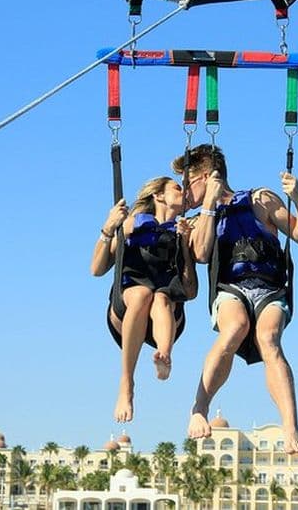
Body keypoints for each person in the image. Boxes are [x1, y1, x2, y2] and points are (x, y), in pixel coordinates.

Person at [172, 144, 298, 454]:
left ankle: (291, 427)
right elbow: (201, 254)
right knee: (234, 328)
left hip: (270, 289)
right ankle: (199, 408)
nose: (184, 192)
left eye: (188, 182)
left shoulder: (260, 199)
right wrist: (209, 204)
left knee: (269, 339)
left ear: (208, 175)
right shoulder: (200, 219)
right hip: (231, 289)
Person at [91, 176, 197, 423]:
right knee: (143, 294)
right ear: (158, 196)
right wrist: (109, 227)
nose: (184, 191)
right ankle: (126, 384)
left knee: (160, 297)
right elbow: (96, 269)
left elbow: (190, 289)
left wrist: (184, 244)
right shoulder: (130, 224)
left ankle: (164, 357)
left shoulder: (185, 227)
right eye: (177, 187)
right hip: (128, 302)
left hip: (167, 312)